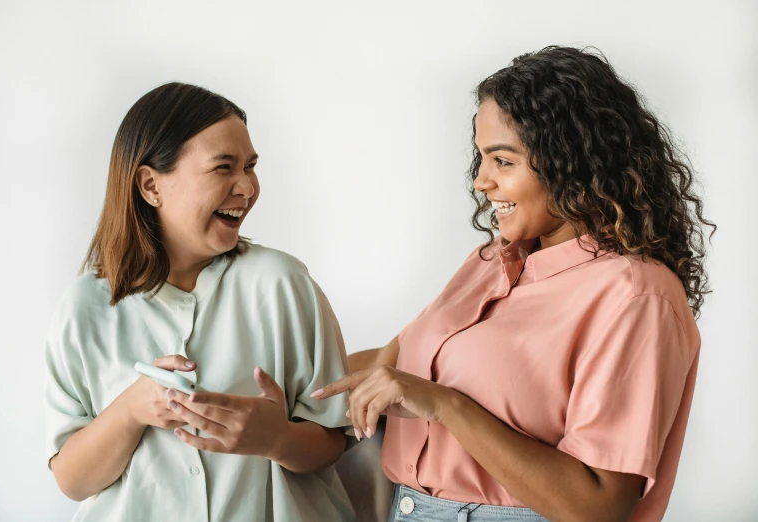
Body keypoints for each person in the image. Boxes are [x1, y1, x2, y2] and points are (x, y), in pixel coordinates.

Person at [314, 46, 714, 522]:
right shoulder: (488, 263)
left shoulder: (636, 295)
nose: (481, 181)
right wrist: (256, 381)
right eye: (481, 159)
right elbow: (388, 368)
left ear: (571, 161)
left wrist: (447, 407)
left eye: (503, 161)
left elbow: (599, 506)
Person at [44, 82, 355, 521]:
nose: (246, 187)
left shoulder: (282, 283)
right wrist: (132, 409)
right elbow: (72, 481)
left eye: (250, 166)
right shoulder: (84, 308)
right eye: (223, 167)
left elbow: (333, 439)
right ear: (151, 185)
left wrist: (276, 439)